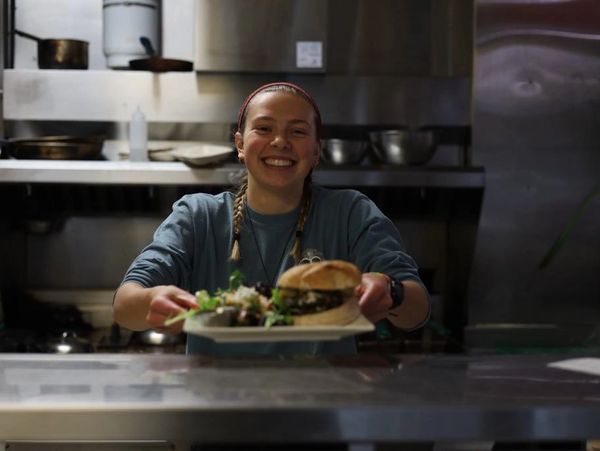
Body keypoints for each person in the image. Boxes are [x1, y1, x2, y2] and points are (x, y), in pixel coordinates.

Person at [113, 82, 431, 356]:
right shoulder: (199, 217)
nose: (280, 141)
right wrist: (152, 299)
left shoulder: (350, 213)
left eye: (297, 131)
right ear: (240, 144)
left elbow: (417, 310)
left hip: (325, 402)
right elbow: (125, 305)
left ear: (317, 151)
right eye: (264, 129)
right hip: (216, 403)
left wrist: (392, 291)